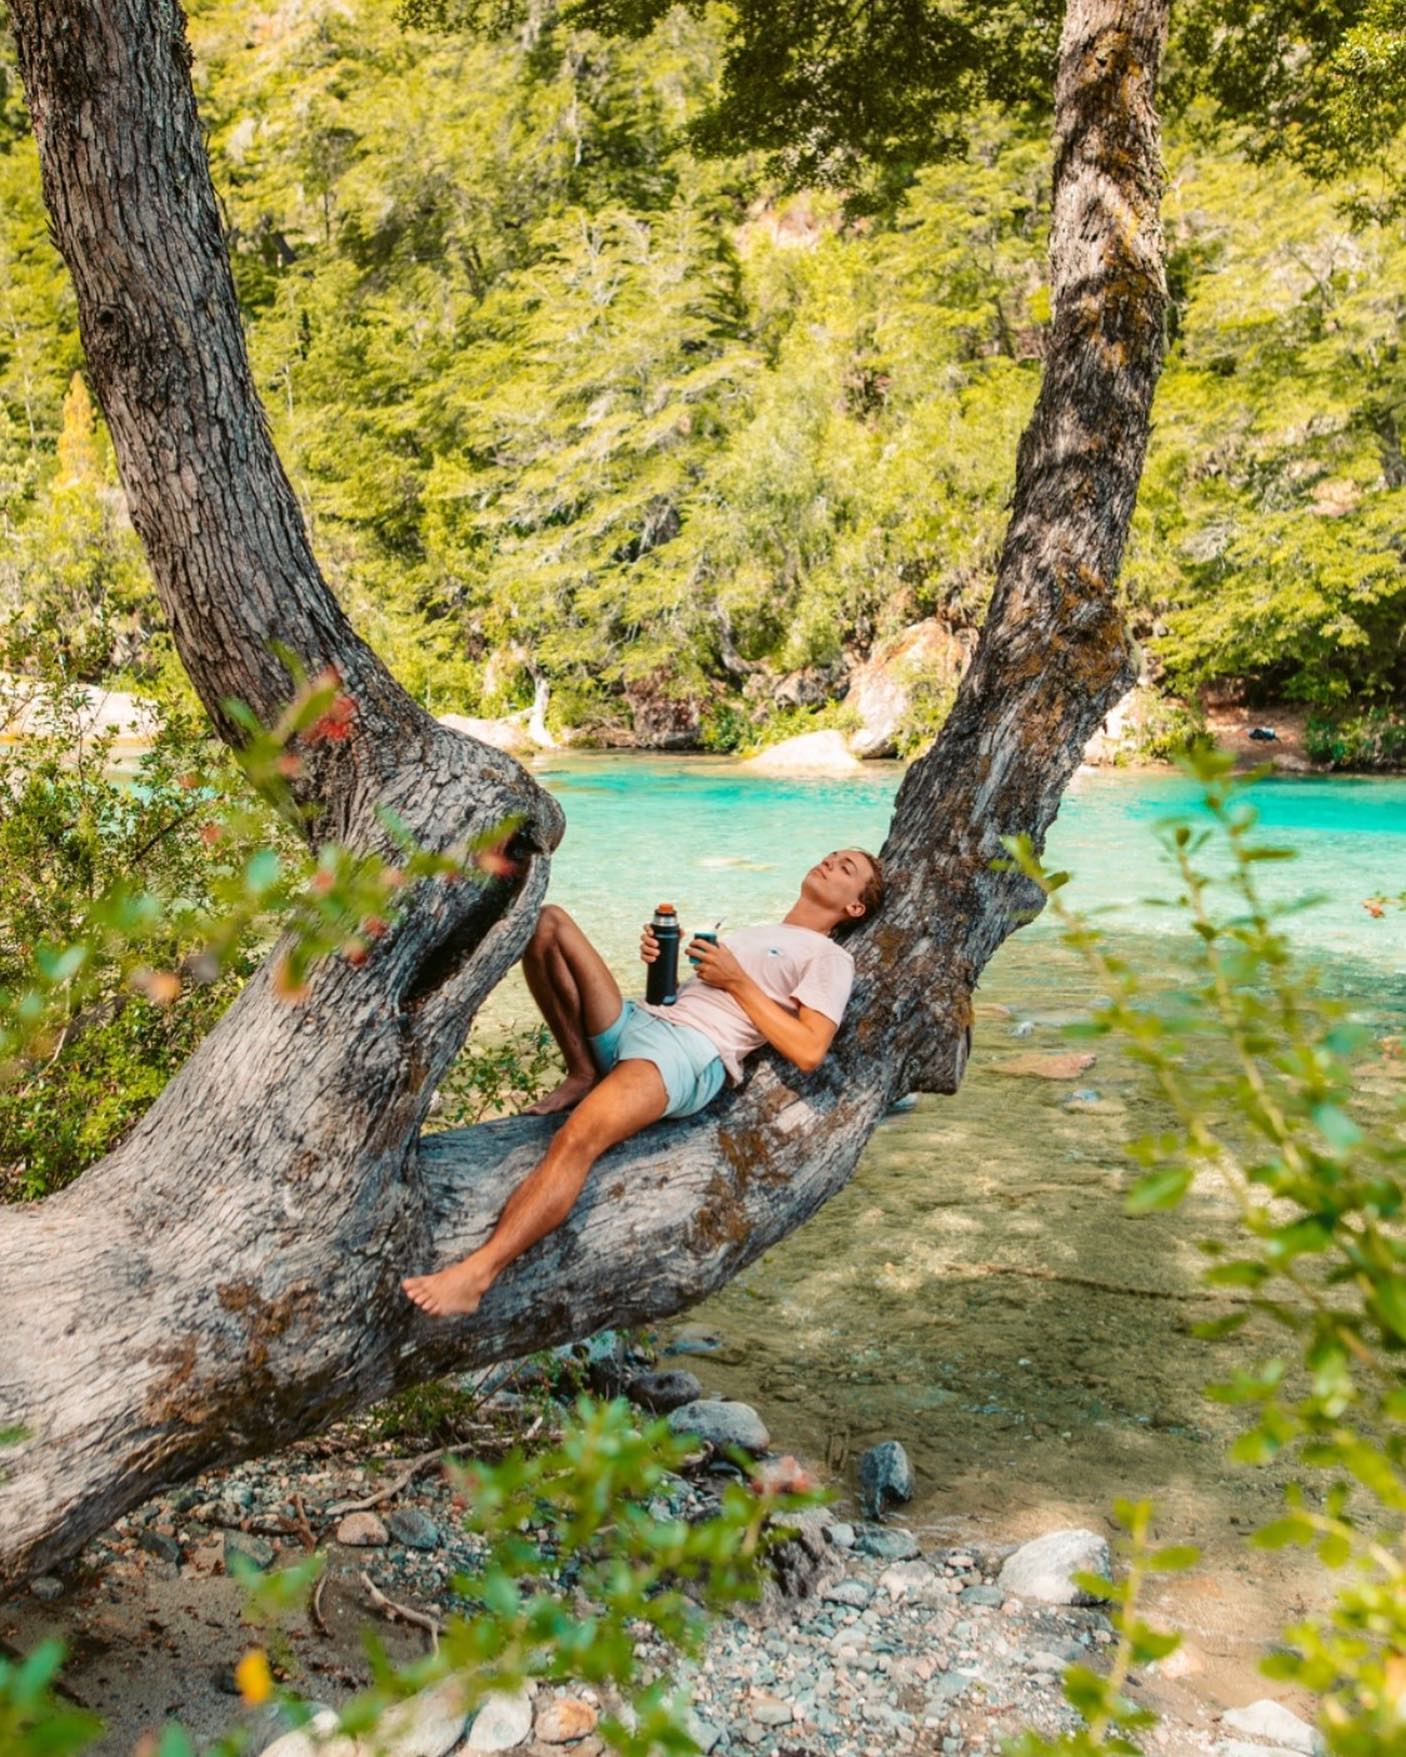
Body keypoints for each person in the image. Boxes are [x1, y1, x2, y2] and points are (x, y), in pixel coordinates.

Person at [402, 848, 884, 1319]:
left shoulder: (829, 958)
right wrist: (660, 962)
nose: (830, 862)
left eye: (847, 868)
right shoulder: (764, 931)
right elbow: (691, 994)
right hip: (645, 1020)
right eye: (833, 855)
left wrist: (737, 981)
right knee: (549, 923)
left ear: (853, 907)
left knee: (575, 1140)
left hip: (686, 1053)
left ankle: (477, 1275)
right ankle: (583, 1072)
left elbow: (808, 1049)